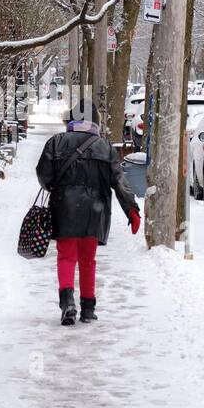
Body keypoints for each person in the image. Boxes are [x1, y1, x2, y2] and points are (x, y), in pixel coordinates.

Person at [36, 101, 140, 326]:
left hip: (65, 210)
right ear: (95, 121)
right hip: (95, 212)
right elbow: (120, 181)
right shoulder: (105, 147)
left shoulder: (56, 143)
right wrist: (132, 210)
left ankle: (67, 304)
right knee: (87, 260)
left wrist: (58, 188)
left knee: (66, 256)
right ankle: (88, 308)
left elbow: (43, 175)